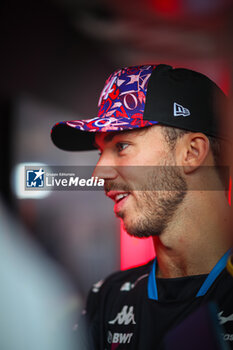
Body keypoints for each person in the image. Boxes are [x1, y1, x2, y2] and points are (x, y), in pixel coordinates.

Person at [51, 64, 233, 349]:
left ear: (192, 153)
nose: (98, 172)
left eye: (121, 146)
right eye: (101, 152)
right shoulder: (108, 298)